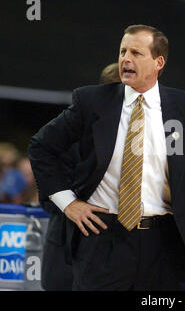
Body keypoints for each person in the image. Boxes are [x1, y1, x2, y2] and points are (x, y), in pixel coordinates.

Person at [28, 24, 185, 291]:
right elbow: (41, 147)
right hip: (102, 237)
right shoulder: (93, 102)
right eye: (123, 51)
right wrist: (68, 203)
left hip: (163, 245)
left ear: (159, 62)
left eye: (136, 52)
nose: (126, 59)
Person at [39, 63, 120, 291]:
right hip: (69, 256)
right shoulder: (69, 133)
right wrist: (72, 206)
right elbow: (47, 196)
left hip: (119, 261)